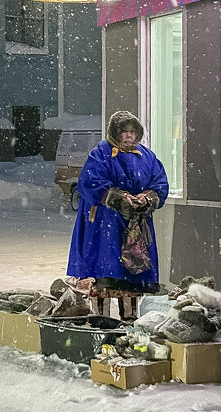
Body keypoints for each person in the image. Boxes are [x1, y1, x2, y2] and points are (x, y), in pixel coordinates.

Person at [66, 111, 169, 316]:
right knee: (104, 270)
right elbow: (89, 183)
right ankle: (101, 320)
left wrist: (147, 198)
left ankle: (129, 320)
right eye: (124, 132)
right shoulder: (101, 153)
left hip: (136, 225)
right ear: (115, 132)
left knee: (131, 273)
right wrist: (117, 198)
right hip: (105, 224)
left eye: (133, 132)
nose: (129, 136)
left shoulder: (147, 156)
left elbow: (160, 183)